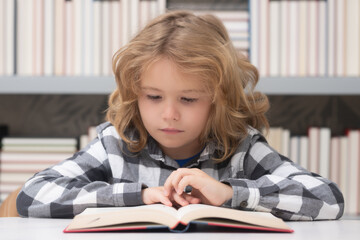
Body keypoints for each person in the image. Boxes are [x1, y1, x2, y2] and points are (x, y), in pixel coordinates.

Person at [16, 11, 344, 220]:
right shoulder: (116, 143)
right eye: (154, 97)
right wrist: (139, 198)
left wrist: (231, 194)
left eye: (188, 99)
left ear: (218, 99)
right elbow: (32, 195)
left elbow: (328, 200)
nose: (169, 114)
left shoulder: (240, 147)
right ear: (134, 92)